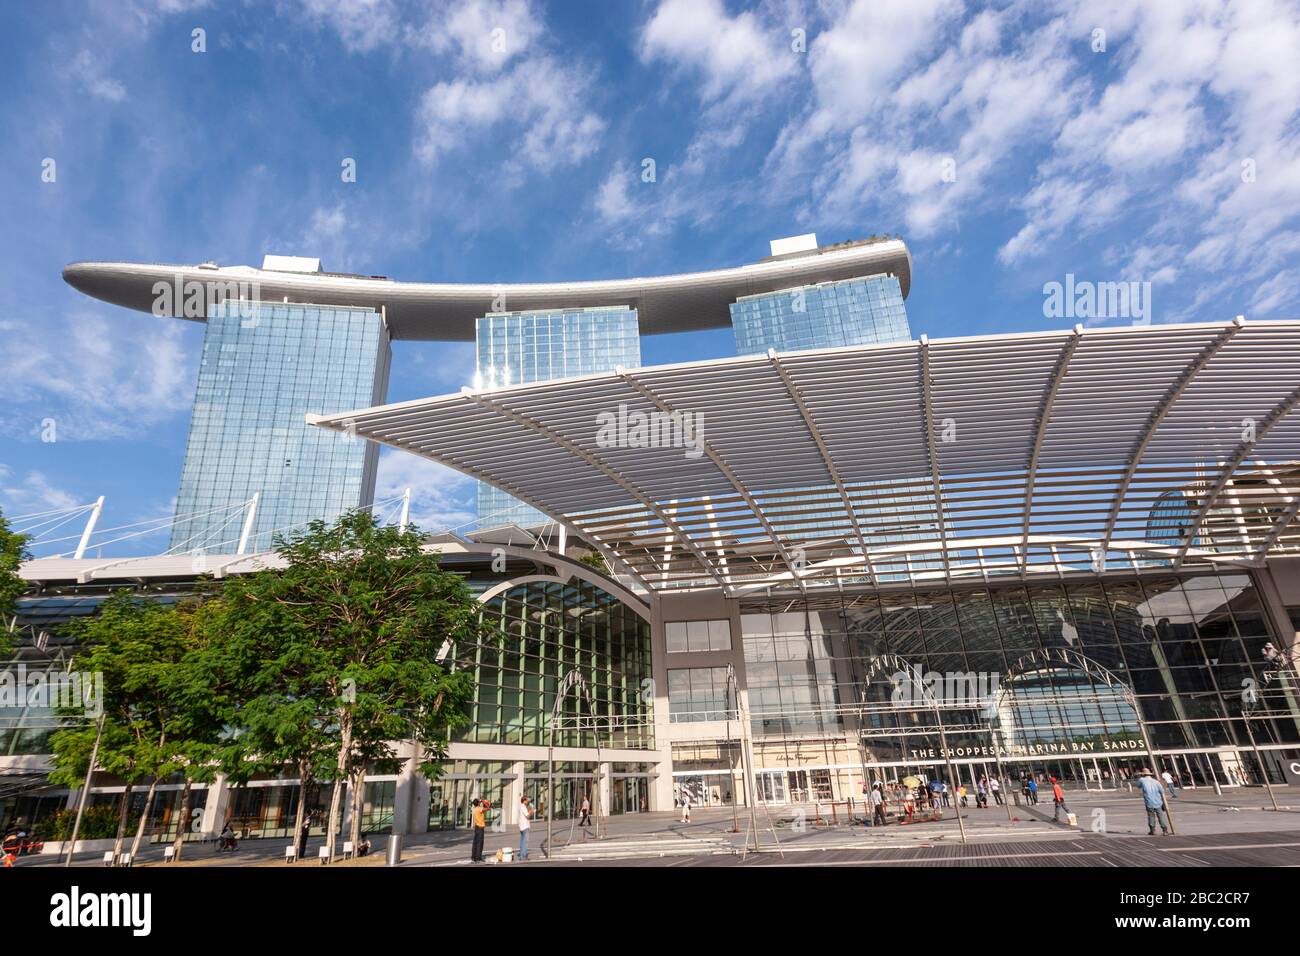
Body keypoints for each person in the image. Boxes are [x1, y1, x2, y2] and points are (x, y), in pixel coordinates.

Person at [1137, 768, 1171, 835]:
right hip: (1158, 801)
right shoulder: (1156, 781)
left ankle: (1152, 830)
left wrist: (1139, 777)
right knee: (1161, 816)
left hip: (1149, 801)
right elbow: (1162, 791)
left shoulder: (1142, 780)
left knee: (1151, 816)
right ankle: (1165, 830)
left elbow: (1138, 786)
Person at [470, 798, 487, 863]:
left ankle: (473, 857)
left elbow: (481, 807)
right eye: (479, 802)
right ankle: (478, 858)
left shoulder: (474, 809)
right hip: (480, 827)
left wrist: (480, 801)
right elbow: (487, 809)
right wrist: (484, 802)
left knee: (475, 843)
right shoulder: (479, 808)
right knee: (480, 843)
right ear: (478, 803)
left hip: (476, 827)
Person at [517, 795, 534, 860]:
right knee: (525, 842)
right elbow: (527, 816)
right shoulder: (523, 807)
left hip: (522, 826)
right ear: (524, 800)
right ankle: (523, 856)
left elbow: (527, 815)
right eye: (527, 800)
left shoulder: (522, 806)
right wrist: (532, 810)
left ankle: (522, 855)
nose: (527, 801)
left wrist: (532, 811)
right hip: (525, 826)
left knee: (522, 841)